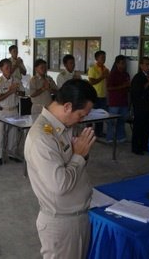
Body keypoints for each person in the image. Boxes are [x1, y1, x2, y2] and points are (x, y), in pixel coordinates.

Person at [24, 79, 97, 259]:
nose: (82, 119)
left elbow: (70, 166)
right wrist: (79, 156)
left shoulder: (61, 128)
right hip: (62, 224)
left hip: (76, 217)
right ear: (67, 107)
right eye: (81, 115)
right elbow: (60, 185)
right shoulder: (42, 137)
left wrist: (80, 155)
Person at [0, 58, 24, 165]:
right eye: (6, 67)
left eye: (10, 67)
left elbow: (23, 94)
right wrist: (11, 91)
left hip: (14, 110)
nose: (9, 69)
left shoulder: (16, 80)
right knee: (0, 135)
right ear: (1, 69)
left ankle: (12, 154)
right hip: (2, 111)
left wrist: (17, 92)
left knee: (13, 134)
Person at [130, 56, 149, 155]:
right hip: (140, 106)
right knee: (139, 127)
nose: (148, 66)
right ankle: (136, 147)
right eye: (146, 64)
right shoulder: (138, 77)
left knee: (147, 127)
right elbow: (137, 91)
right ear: (141, 65)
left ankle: (144, 145)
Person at [106, 55, 130, 143]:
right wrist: (123, 86)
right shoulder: (112, 74)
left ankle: (121, 137)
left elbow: (127, 88)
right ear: (117, 64)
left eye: (124, 63)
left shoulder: (126, 74)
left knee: (122, 120)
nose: (123, 65)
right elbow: (109, 88)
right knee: (112, 122)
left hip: (124, 101)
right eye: (121, 63)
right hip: (114, 102)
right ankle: (110, 138)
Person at [88, 50, 109, 137]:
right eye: (102, 57)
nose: (104, 59)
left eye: (104, 57)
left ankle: (98, 132)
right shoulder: (92, 68)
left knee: (101, 115)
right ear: (97, 58)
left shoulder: (106, 69)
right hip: (95, 95)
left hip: (103, 95)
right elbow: (91, 82)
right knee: (90, 115)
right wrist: (102, 77)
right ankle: (88, 132)